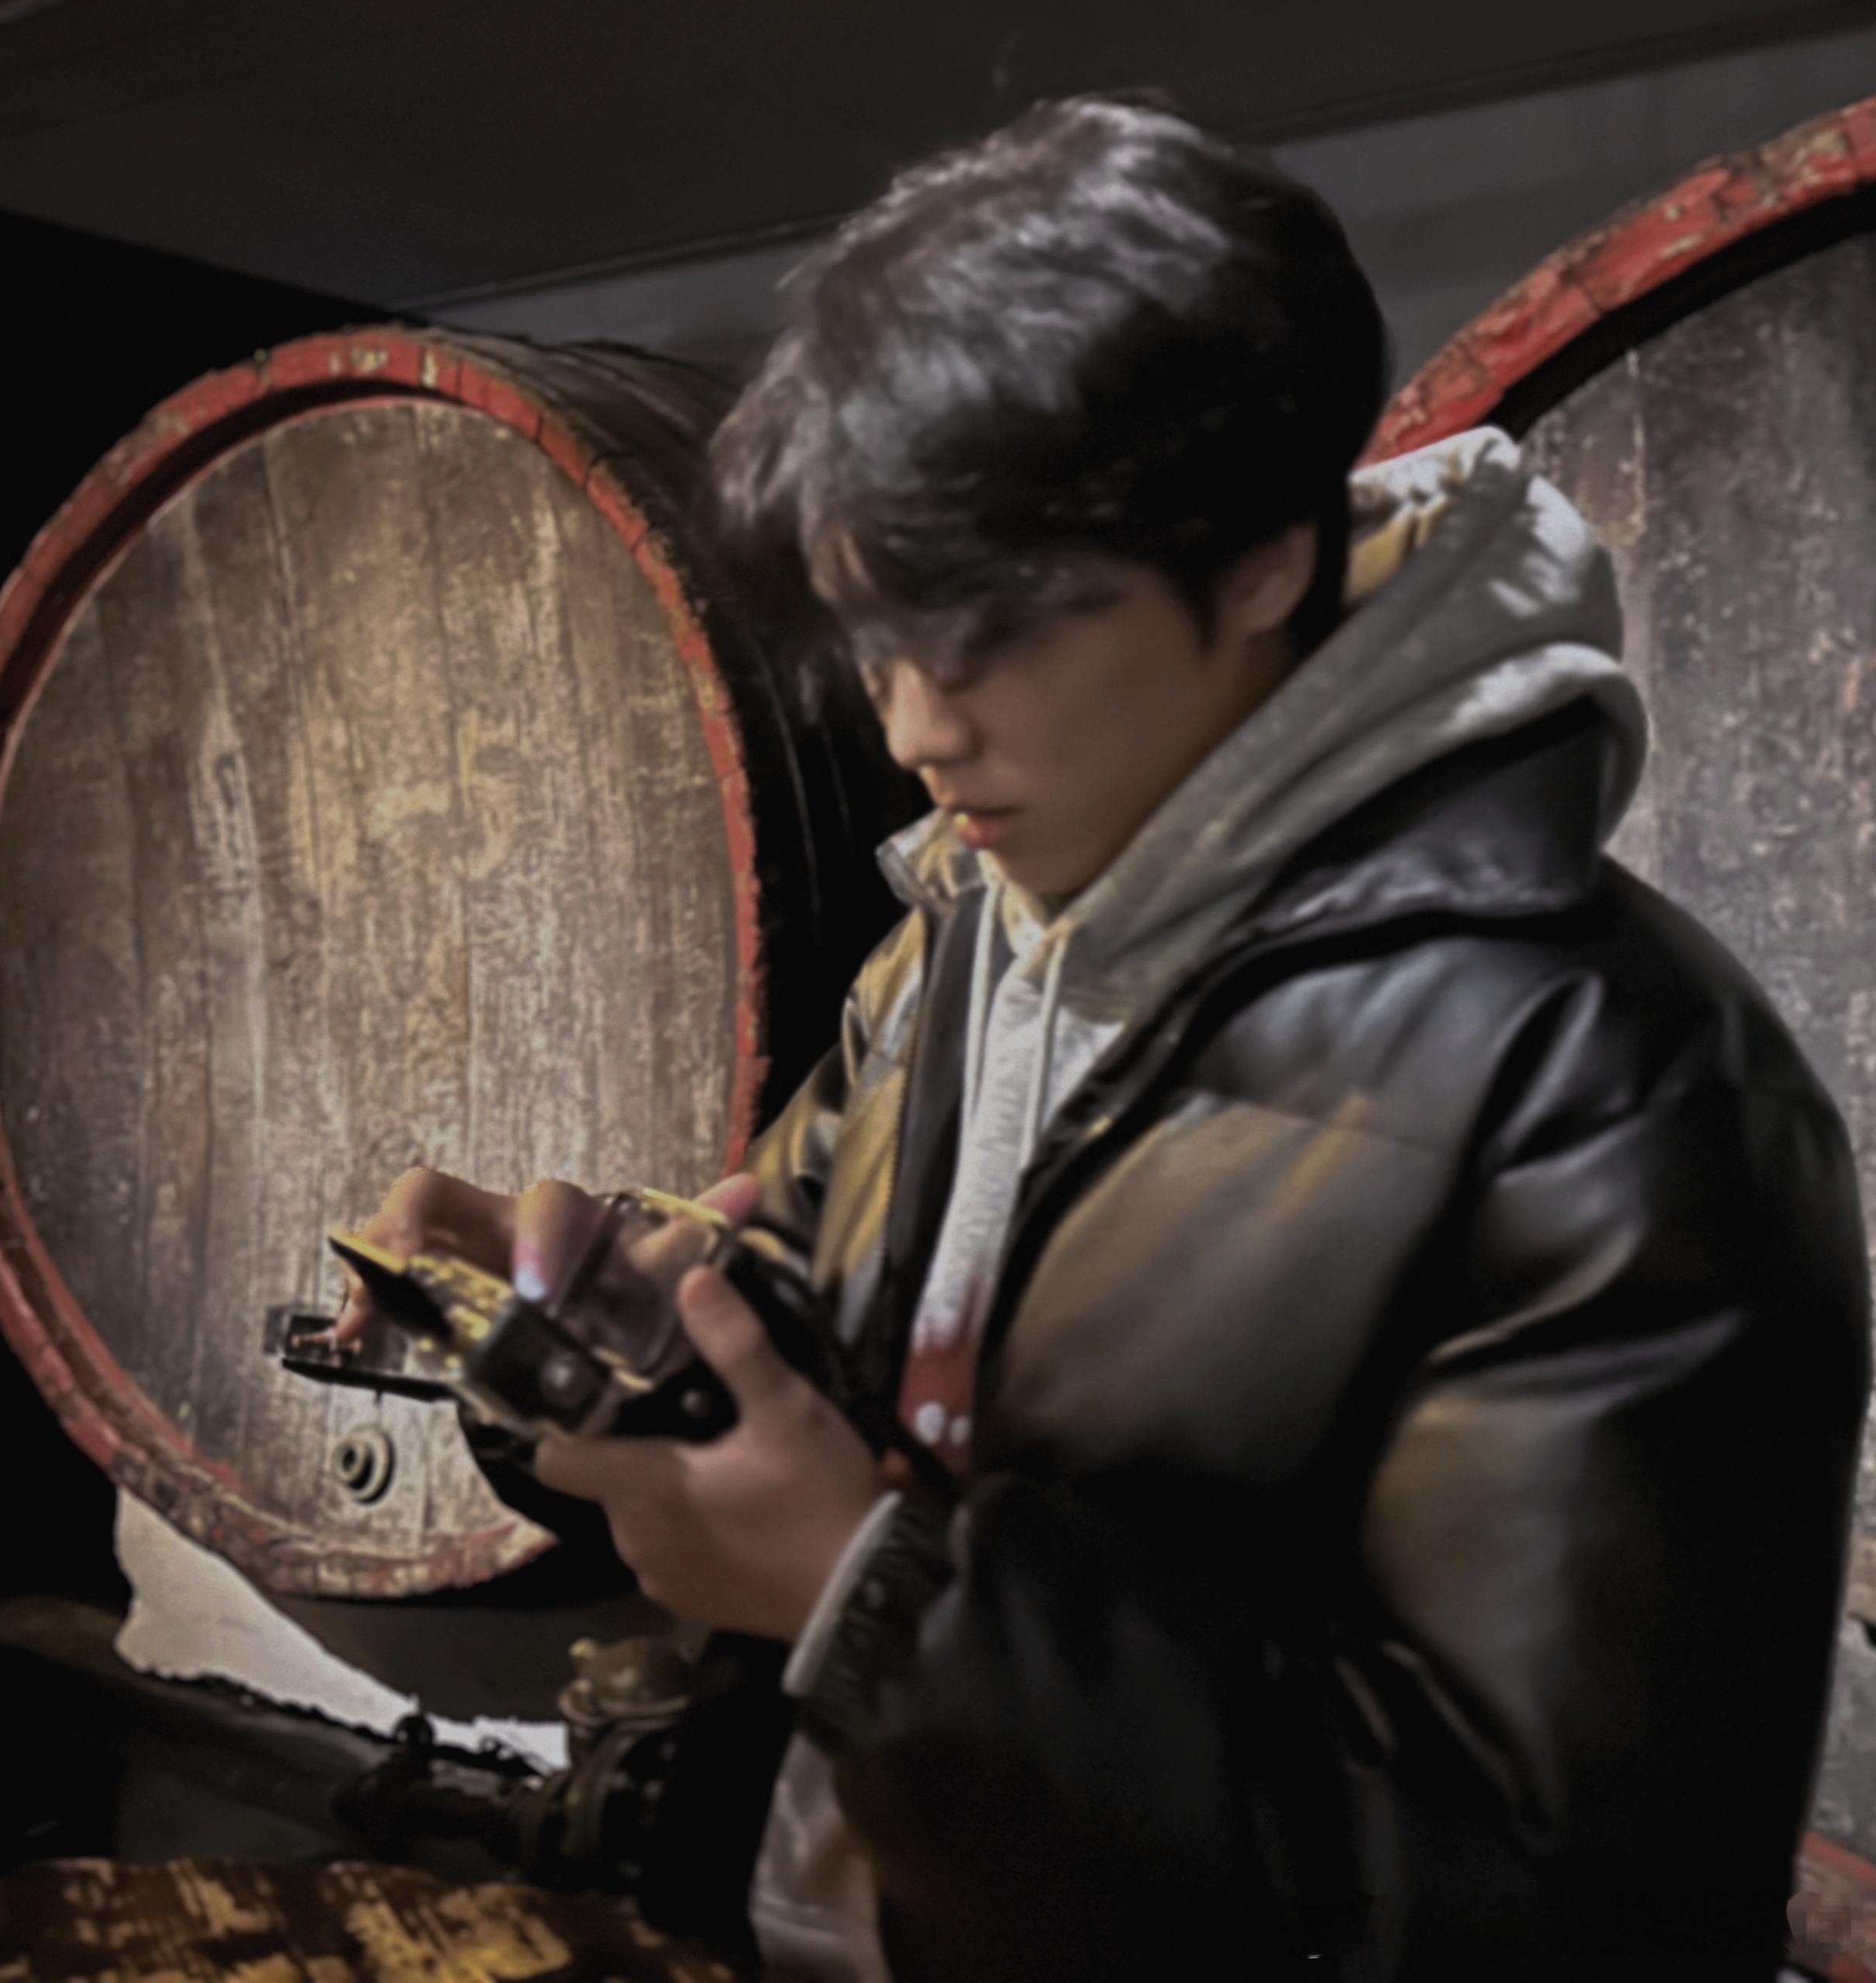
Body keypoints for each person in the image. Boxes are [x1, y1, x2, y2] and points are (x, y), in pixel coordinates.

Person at [339, 97, 1868, 1980]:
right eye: (877, 642)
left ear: (1259, 563)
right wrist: (598, 1339)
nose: (918, 729)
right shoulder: (970, 948)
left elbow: (1547, 1914)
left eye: (987, 639)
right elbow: (812, 1361)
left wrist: (868, 1606)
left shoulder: (1616, 1090)